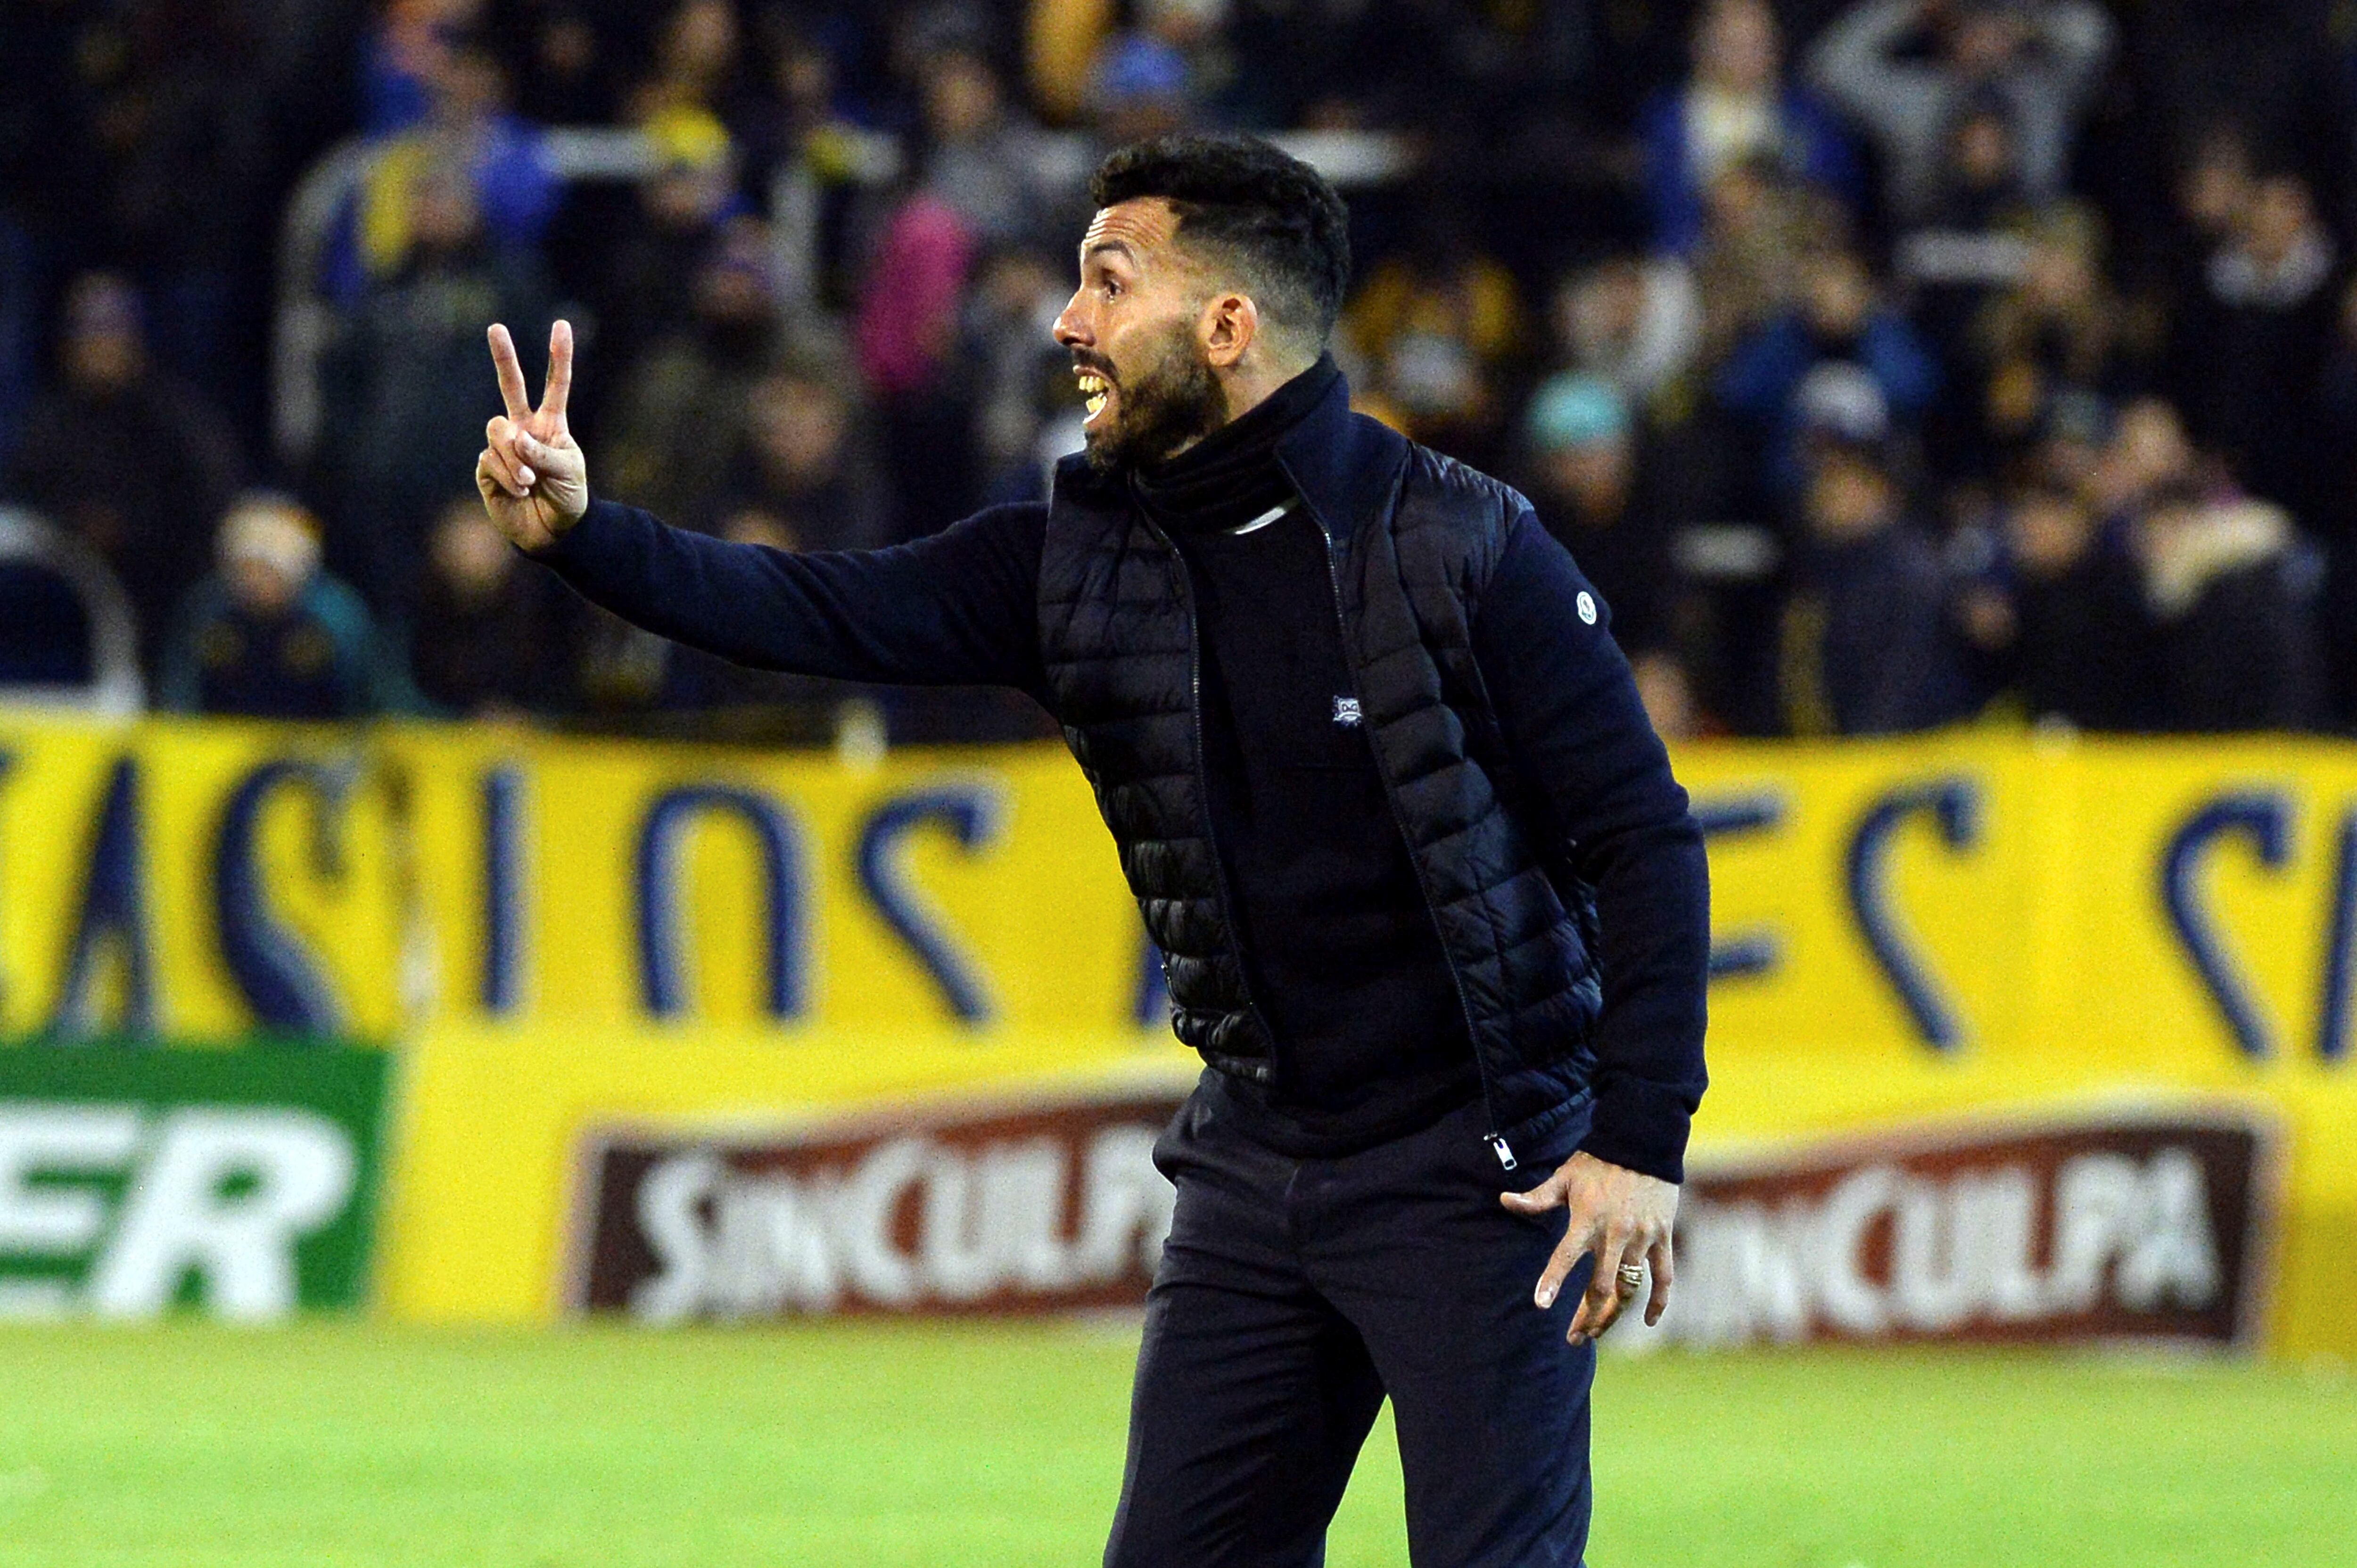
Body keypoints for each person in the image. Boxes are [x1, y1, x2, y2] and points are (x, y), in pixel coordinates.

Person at [478, 134, 1707, 1566]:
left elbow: (1644, 840)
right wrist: (584, 532)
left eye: (1109, 283)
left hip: (1486, 1177)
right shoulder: (1072, 558)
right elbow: (810, 609)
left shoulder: (1465, 548)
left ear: (1229, 326)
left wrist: (1638, 1140)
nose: (1068, 323)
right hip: (1256, 1165)